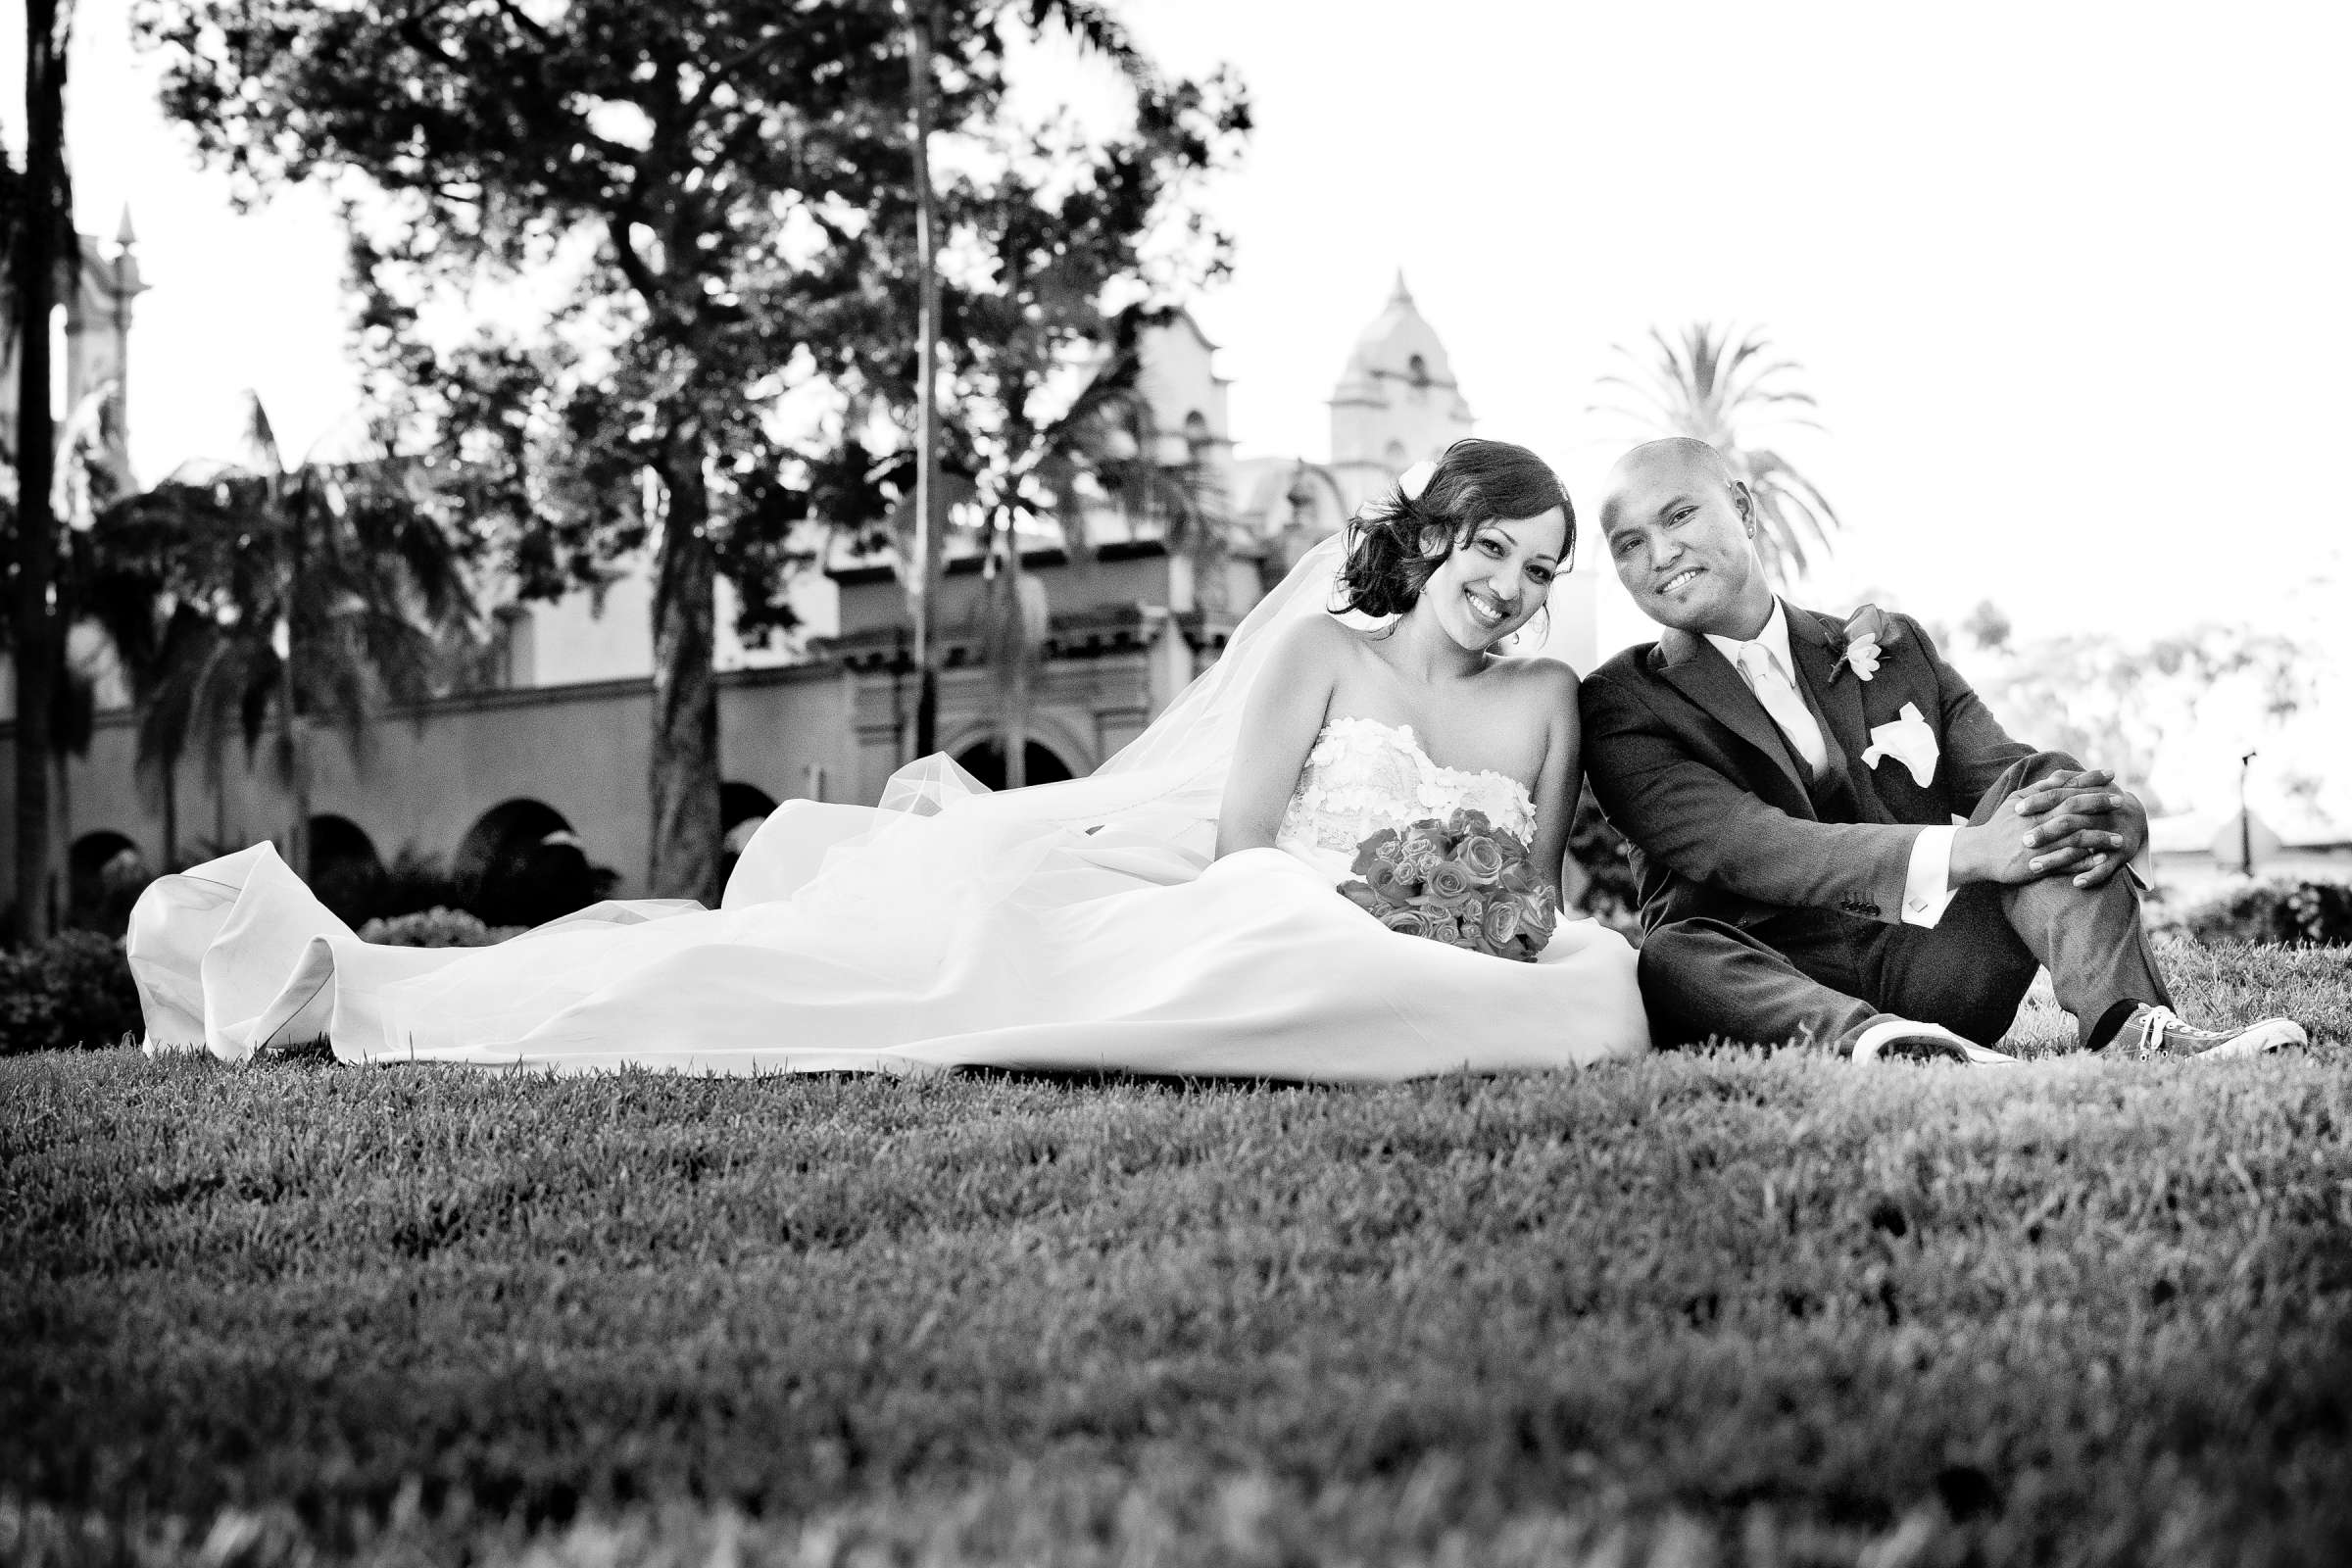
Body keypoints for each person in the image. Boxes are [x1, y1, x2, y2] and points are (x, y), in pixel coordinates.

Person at [127, 439, 1648, 1078]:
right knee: (1248, 932)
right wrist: (1369, 901)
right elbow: (1250, 846)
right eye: (1492, 554)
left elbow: (1537, 883)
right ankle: (343, 979)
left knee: (1584, 975)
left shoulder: (1546, 700)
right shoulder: (1323, 652)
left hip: (1445, 941)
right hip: (1277, 900)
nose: (1511, 590)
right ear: (1437, 536)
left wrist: (1472, 911)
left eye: (1540, 569)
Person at [1579, 436, 2308, 1064]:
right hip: (1762, 981)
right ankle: (1892, 1047)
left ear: (1742, 507)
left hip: (1935, 963)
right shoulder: (1622, 700)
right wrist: (1971, 854)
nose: (1661, 552)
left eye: (1678, 515)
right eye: (1630, 544)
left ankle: (2134, 1028)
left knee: (2045, 784)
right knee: (1672, 952)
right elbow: (1751, 847)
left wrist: (2117, 819)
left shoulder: (1891, 650)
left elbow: (2013, 784)